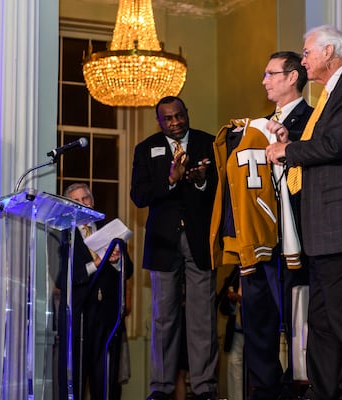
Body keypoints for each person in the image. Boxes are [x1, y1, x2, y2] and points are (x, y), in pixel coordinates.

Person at [265, 25, 342, 400]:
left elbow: (336, 144)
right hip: (327, 228)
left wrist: (286, 153)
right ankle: (323, 391)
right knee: (321, 320)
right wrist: (294, 141)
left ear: (329, 52)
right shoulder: (331, 92)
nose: (302, 60)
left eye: (306, 53)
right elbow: (324, 142)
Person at [210, 51, 312, 400]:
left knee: (301, 325)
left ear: (292, 77)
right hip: (258, 243)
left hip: (297, 240)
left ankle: (303, 388)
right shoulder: (255, 128)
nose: (264, 81)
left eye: (270, 74)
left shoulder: (313, 121)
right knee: (258, 325)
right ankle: (266, 391)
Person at [130, 96, 218, 400]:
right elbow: (139, 196)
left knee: (202, 316)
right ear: (159, 121)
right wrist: (170, 180)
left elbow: (224, 191)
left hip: (200, 239)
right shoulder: (145, 149)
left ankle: (205, 387)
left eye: (180, 116)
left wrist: (203, 182)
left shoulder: (209, 143)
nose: (176, 123)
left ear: (187, 113)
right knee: (163, 317)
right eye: (168, 119)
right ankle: (162, 388)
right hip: (163, 242)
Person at [56, 183, 134, 400]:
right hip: (79, 318)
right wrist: (95, 264)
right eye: (76, 201)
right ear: (69, 207)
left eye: (86, 199)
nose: (83, 204)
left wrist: (117, 261)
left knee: (106, 382)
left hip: (107, 319)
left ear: (93, 201)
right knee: (76, 382)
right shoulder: (65, 236)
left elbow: (129, 270)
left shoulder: (110, 230)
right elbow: (63, 278)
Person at [218, 265, 244, 400]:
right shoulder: (234, 275)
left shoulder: (258, 275)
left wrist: (241, 299)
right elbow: (222, 308)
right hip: (236, 330)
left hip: (253, 330)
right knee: (234, 367)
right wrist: (231, 300)